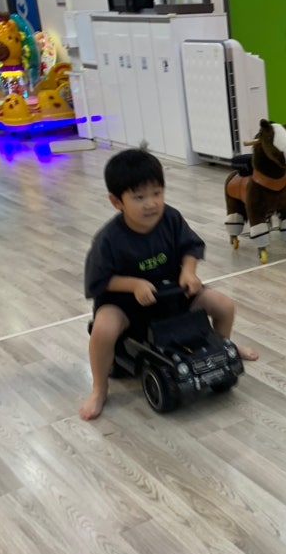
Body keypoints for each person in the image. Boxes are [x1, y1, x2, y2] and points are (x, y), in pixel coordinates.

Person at [82, 148, 258, 420]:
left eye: (157, 193)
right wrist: (134, 285)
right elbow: (100, 280)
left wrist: (189, 271)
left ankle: (222, 348)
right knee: (103, 330)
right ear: (117, 201)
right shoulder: (109, 239)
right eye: (139, 197)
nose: (151, 203)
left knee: (224, 305)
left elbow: (190, 247)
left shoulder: (171, 218)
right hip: (127, 304)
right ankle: (99, 388)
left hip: (174, 294)